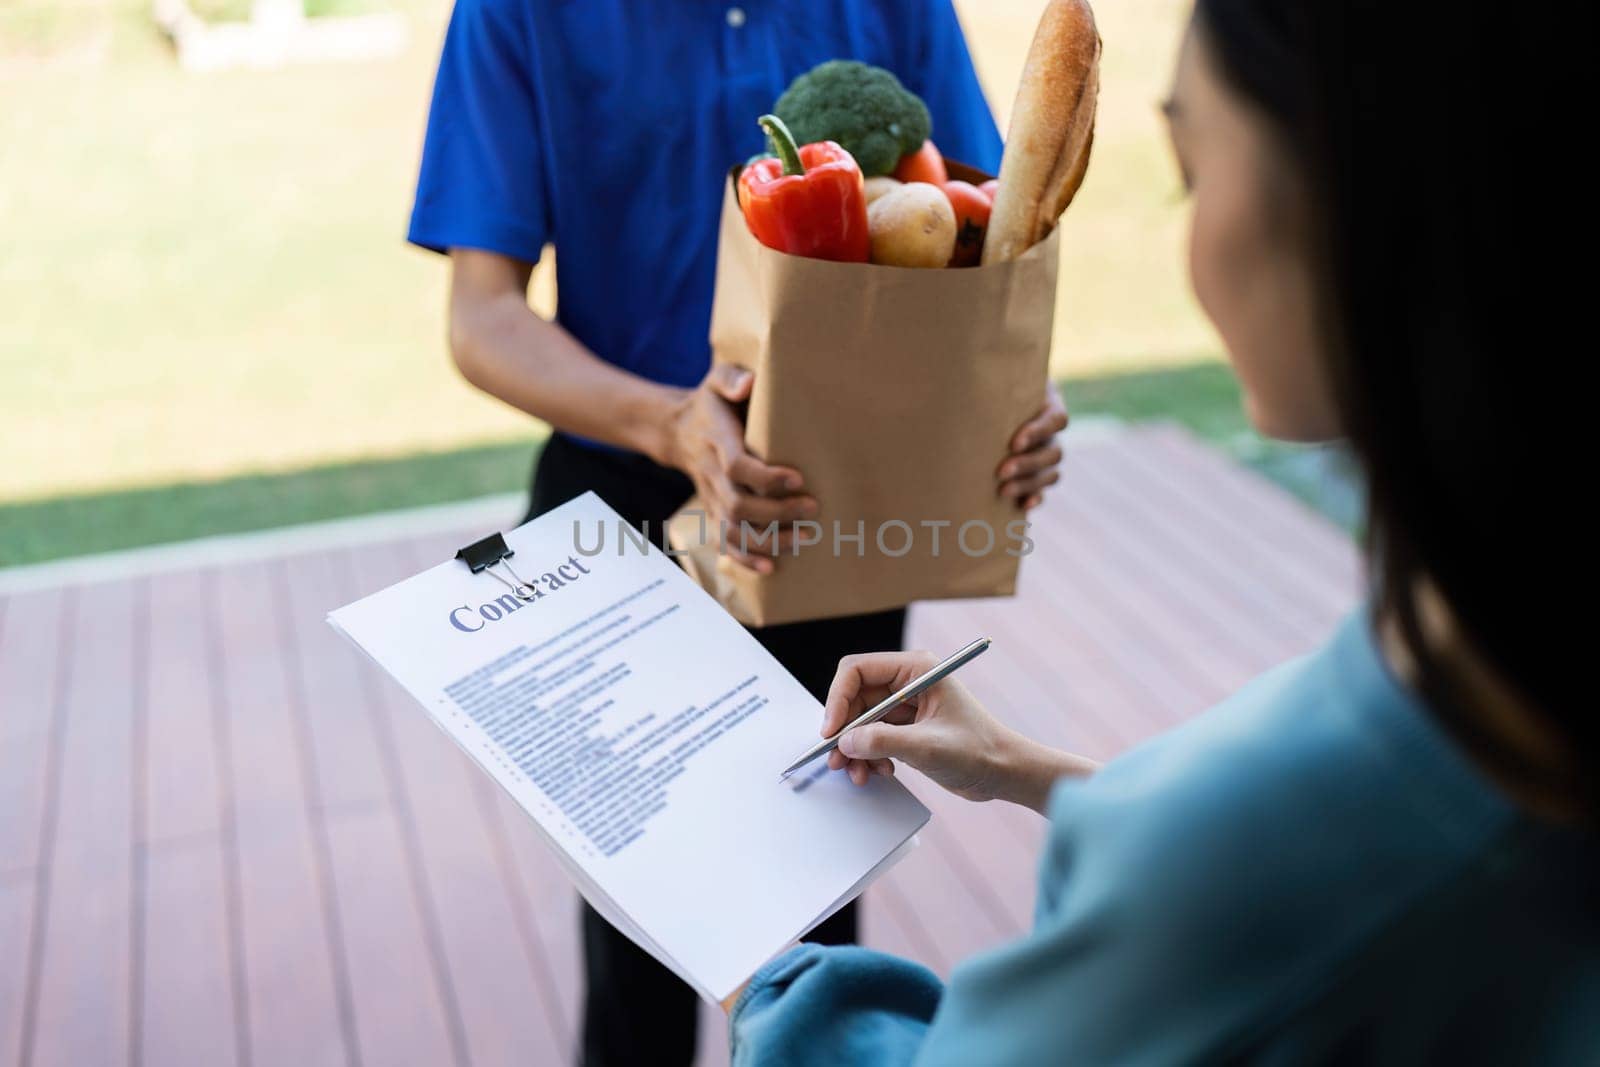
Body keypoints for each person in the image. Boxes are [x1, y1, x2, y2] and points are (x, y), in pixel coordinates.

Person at [725, 0, 1598, 1062]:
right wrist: (1015, 762)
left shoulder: (1255, 854)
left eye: (1190, 171)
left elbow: (1266, 874)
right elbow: (1306, 860)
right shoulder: (1498, 673)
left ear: (1349, 204)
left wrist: (763, 963)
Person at [406, 3, 1069, 1064]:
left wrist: (1016, 401)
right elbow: (480, 318)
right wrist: (673, 423)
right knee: (644, 941)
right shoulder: (515, 13)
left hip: (834, 513)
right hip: (617, 518)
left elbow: (988, 242)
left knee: (819, 927)